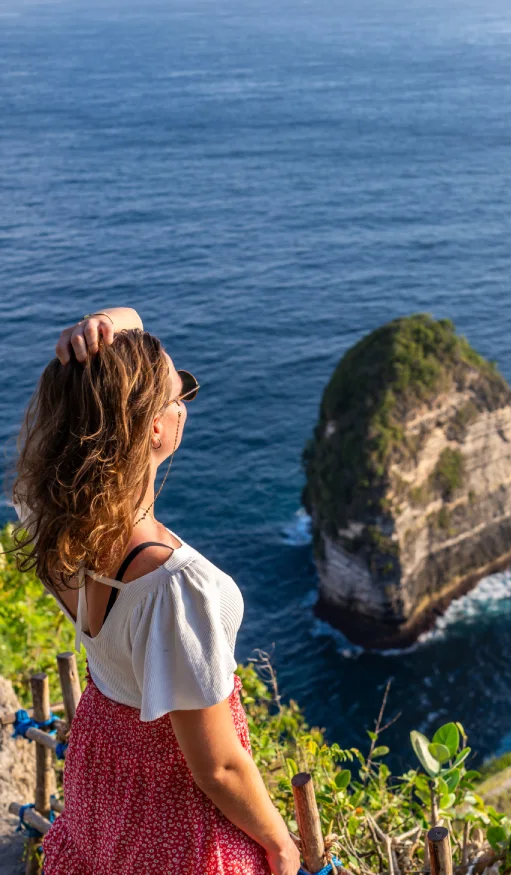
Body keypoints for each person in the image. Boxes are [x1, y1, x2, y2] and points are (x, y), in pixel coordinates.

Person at [8, 308, 301, 875]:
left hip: (107, 789)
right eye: (178, 394)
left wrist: (96, 329)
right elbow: (217, 768)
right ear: (156, 430)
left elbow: (121, 337)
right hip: (176, 819)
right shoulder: (174, 585)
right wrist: (283, 845)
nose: (185, 400)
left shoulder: (53, 521)